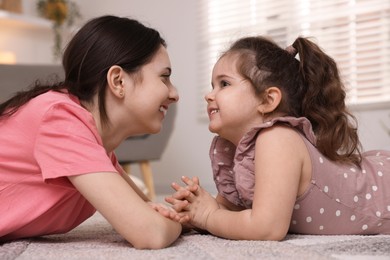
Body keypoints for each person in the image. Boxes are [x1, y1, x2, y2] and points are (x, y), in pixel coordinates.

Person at [165, 36, 390, 240]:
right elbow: (234, 214)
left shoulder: (278, 138)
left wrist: (208, 216)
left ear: (268, 100)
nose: (209, 95)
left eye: (224, 84)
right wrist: (190, 213)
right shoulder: (235, 148)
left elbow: (267, 228)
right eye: (212, 85)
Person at [0, 15, 182, 249]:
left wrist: (182, 216)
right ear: (118, 81)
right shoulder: (60, 120)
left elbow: (147, 210)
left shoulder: (94, 146)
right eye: (164, 77)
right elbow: (151, 232)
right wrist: (175, 225)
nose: (174, 93)